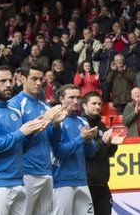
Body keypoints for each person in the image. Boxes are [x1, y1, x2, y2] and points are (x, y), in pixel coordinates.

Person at [0, 66, 48, 214]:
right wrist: (21, 132)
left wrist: (31, 132)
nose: (8, 84)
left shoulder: (15, 110)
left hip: (18, 181)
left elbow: (22, 148)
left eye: (10, 80)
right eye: (2, 81)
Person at [8, 66, 67, 215]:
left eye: (40, 79)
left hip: (46, 171)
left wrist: (56, 125)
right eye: (33, 79)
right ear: (22, 79)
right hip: (26, 172)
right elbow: (16, 140)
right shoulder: (14, 105)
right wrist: (45, 120)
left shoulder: (45, 106)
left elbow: (53, 142)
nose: (38, 83)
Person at [52, 84, 98, 215]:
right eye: (71, 97)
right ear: (61, 99)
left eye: (78, 98)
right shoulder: (56, 121)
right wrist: (81, 138)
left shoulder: (83, 121)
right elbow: (59, 152)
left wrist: (88, 141)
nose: (76, 101)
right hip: (61, 181)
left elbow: (90, 154)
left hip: (81, 179)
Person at [83, 91, 121, 215]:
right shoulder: (81, 125)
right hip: (87, 184)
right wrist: (103, 142)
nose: (98, 107)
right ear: (84, 106)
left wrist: (113, 145)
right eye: (94, 103)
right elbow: (87, 152)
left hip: (103, 183)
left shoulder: (102, 125)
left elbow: (107, 152)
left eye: (99, 104)